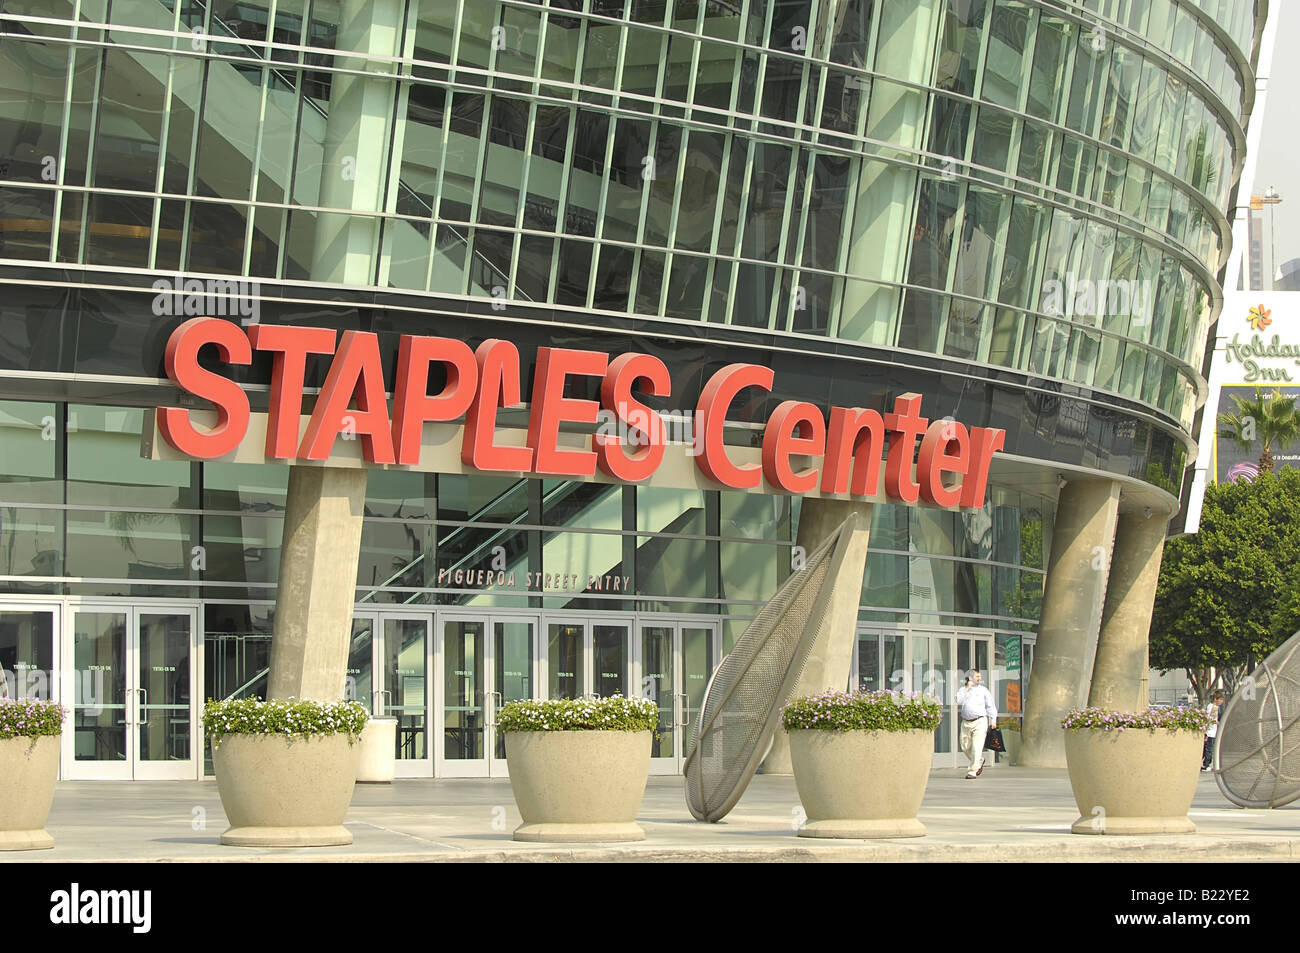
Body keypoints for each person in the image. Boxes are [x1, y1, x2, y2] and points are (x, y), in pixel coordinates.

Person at [956, 669, 997, 779]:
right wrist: (966, 689)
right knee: (964, 746)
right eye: (977, 677)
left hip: (980, 721)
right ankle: (979, 760)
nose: (979, 679)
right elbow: (958, 701)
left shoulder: (984, 690)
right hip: (966, 722)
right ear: (970, 678)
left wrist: (993, 720)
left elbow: (990, 706)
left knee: (976, 746)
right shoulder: (963, 690)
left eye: (979, 677)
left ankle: (973, 771)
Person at [1202, 690, 1225, 771]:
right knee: (1209, 749)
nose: (1221, 702)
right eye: (1220, 699)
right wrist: (1217, 723)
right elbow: (1210, 718)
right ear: (1216, 699)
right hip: (1210, 732)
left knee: (1207, 749)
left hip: (1212, 731)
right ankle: (1206, 765)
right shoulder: (1213, 707)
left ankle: (1205, 764)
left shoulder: (1215, 707)